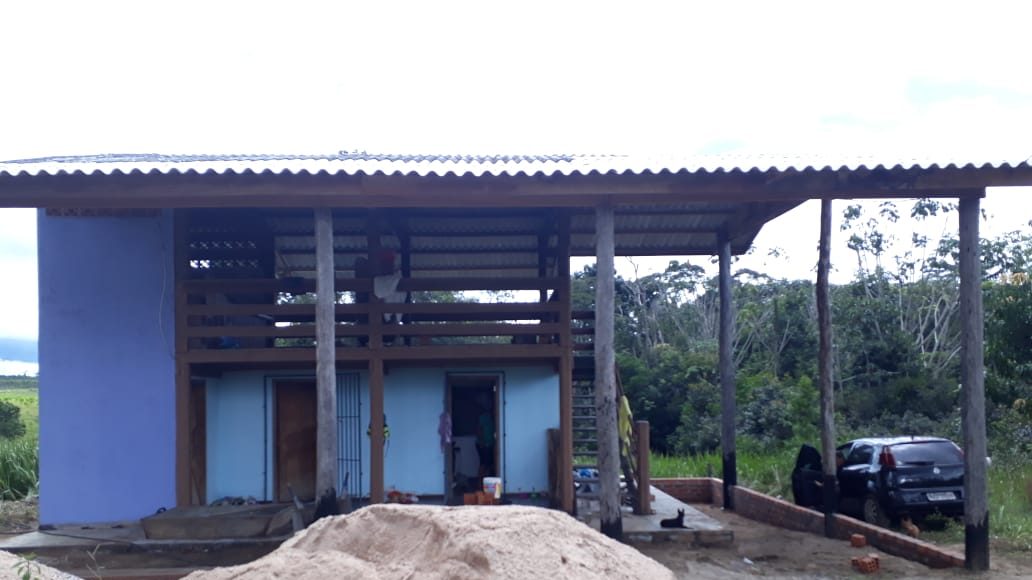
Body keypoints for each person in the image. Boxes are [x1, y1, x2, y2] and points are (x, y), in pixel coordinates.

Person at [476, 399, 495, 476]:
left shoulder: (495, 418)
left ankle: (486, 480)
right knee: (484, 463)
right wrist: (482, 442)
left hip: (490, 444)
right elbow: (479, 430)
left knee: (489, 464)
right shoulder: (483, 417)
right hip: (483, 444)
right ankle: (479, 481)